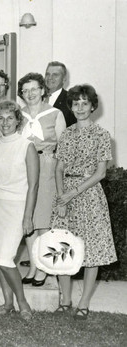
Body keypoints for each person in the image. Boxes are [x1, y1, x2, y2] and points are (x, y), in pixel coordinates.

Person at [52, 84, 117, 320]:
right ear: (70, 106)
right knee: (62, 248)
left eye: (84, 103)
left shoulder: (101, 135)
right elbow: (59, 168)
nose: (80, 108)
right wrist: (62, 198)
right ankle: (65, 301)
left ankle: (84, 303)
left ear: (92, 106)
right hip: (65, 195)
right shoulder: (67, 133)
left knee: (92, 251)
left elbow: (100, 173)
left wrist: (73, 193)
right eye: (75, 103)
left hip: (89, 196)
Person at [0, 100, 39, 321]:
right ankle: (7, 303)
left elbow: (33, 185)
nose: (5, 122)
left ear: (18, 121)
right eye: (1, 118)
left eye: (10, 118)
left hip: (17, 208)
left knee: (5, 257)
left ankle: (22, 302)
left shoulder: (27, 146)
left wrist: (28, 216)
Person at [18, 72, 66, 287]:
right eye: (25, 90)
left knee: (44, 222)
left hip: (46, 166)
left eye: (34, 89)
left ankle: (44, 268)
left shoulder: (55, 113)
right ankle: (34, 265)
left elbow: (63, 149)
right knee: (28, 220)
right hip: (23, 168)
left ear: (42, 90)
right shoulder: (18, 114)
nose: (30, 94)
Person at [44, 61, 76, 127]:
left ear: (64, 79)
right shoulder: (38, 97)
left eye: (55, 75)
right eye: (47, 74)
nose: (50, 78)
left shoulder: (71, 101)